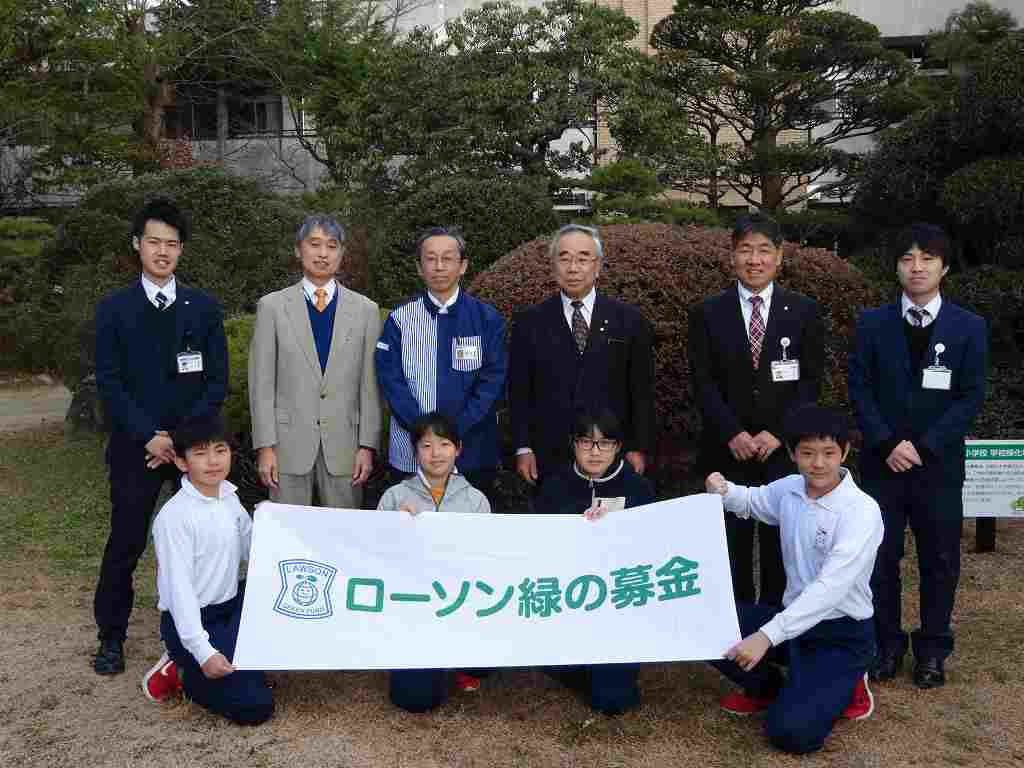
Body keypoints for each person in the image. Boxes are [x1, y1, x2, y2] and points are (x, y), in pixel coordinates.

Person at [848, 223, 987, 689]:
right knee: (882, 556)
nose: (917, 267)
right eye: (908, 258)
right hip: (882, 465)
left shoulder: (969, 327)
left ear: (944, 267)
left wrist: (924, 446)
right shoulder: (871, 324)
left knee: (940, 559)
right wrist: (888, 443)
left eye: (927, 258)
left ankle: (932, 649)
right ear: (896, 268)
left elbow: (969, 398)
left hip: (939, 466)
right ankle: (886, 645)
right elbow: (860, 389)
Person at [92, 196, 228, 675]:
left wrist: (183, 443)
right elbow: (109, 383)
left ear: (182, 250)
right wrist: (150, 437)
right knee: (126, 543)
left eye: (172, 244)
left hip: (192, 454)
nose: (163, 251)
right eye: (154, 242)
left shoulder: (204, 309)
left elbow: (216, 383)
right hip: (138, 452)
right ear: (137, 245)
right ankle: (111, 636)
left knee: (209, 542)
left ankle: (207, 630)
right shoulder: (114, 310)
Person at [704, 404, 883, 755]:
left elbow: (828, 590)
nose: (818, 464)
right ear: (791, 453)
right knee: (706, 622)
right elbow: (753, 501)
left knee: (790, 734)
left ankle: (850, 680)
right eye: (808, 453)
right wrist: (724, 491)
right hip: (791, 623)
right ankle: (769, 686)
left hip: (840, 633)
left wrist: (765, 637)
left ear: (844, 452)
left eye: (829, 453)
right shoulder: (790, 489)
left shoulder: (861, 512)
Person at [688, 212, 825, 608]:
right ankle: (736, 628)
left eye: (764, 250)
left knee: (780, 544)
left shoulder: (803, 311)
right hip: (725, 448)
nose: (755, 259)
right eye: (745, 250)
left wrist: (779, 433)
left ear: (779, 257)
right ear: (732, 256)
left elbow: (811, 382)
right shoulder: (707, 313)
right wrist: (732, 432)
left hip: (781, 453)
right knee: (730, 546)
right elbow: (702, 382)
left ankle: (776, 629)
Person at [248, 215, 383, 509]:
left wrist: (367, 445)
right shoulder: (272, 307)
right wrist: (265, 446)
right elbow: (261, 383)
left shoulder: (365, 311)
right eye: (315, 244)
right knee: (288, 534)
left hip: (345, 445)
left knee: (345, 536)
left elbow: (369, 385)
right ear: (299, 250)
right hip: (286, 445)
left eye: (332, 246)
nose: (323, 253)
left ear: (342, 253)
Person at [509, 224, 655, 492]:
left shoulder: (630, 321)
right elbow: (518, 392)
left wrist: (638, 447)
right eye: (564, 258)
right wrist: (523, 446)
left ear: (598, 266)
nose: (573, 267)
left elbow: (642, 392)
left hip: (611, 452)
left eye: (583, 258)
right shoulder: (529, 323)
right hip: (550, 456)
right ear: (553, 266)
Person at [149, 417, 274, 725]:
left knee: (284, 597)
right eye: (200, 453)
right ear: (181, 462)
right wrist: (203, 652)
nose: (213, 461)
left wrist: (270, 523)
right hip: (193, 620)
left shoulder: (229, 498)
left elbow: (253, 553)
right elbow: (180, 593)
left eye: (220, 451)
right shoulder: (174, 518)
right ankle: (181, 669)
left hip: (230, 606)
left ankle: (233, 659)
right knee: (254, 707)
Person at [533, 409, 655, 715]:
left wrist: (614, 531)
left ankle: (608, 670)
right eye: (586, 442)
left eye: (605, 443)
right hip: (566, 598)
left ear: (618, 447)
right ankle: (582, 665)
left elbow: (651, 550)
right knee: (543, 656)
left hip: (618, 603)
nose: (595, 451)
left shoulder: (638, 489)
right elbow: (537, 546)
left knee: (612, 701)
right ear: (573, 444)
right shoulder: (554, 485)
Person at [375, 226, 507, 504]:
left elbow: (492, 381)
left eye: (447, 258)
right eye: (430, 259)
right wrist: (423, 432)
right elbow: (391, 379)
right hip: (413, 451)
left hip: (472, 450)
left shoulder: (487, 319)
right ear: (419, 267)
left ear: (463, 266)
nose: (439, 266)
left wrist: (454, 432)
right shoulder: (400, 320)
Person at [377, 412, 491, 712]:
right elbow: (374, 555)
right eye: (426, 445)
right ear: (415, 451)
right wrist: (395, 527)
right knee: (416, 699)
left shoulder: (476, 500)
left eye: (444, 444)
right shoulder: (395, 496)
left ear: (459, 448)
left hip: (459, 602)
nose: (436, 453)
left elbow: (487, 559)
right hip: (412, 606)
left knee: (486, 664)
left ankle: (459, 662)